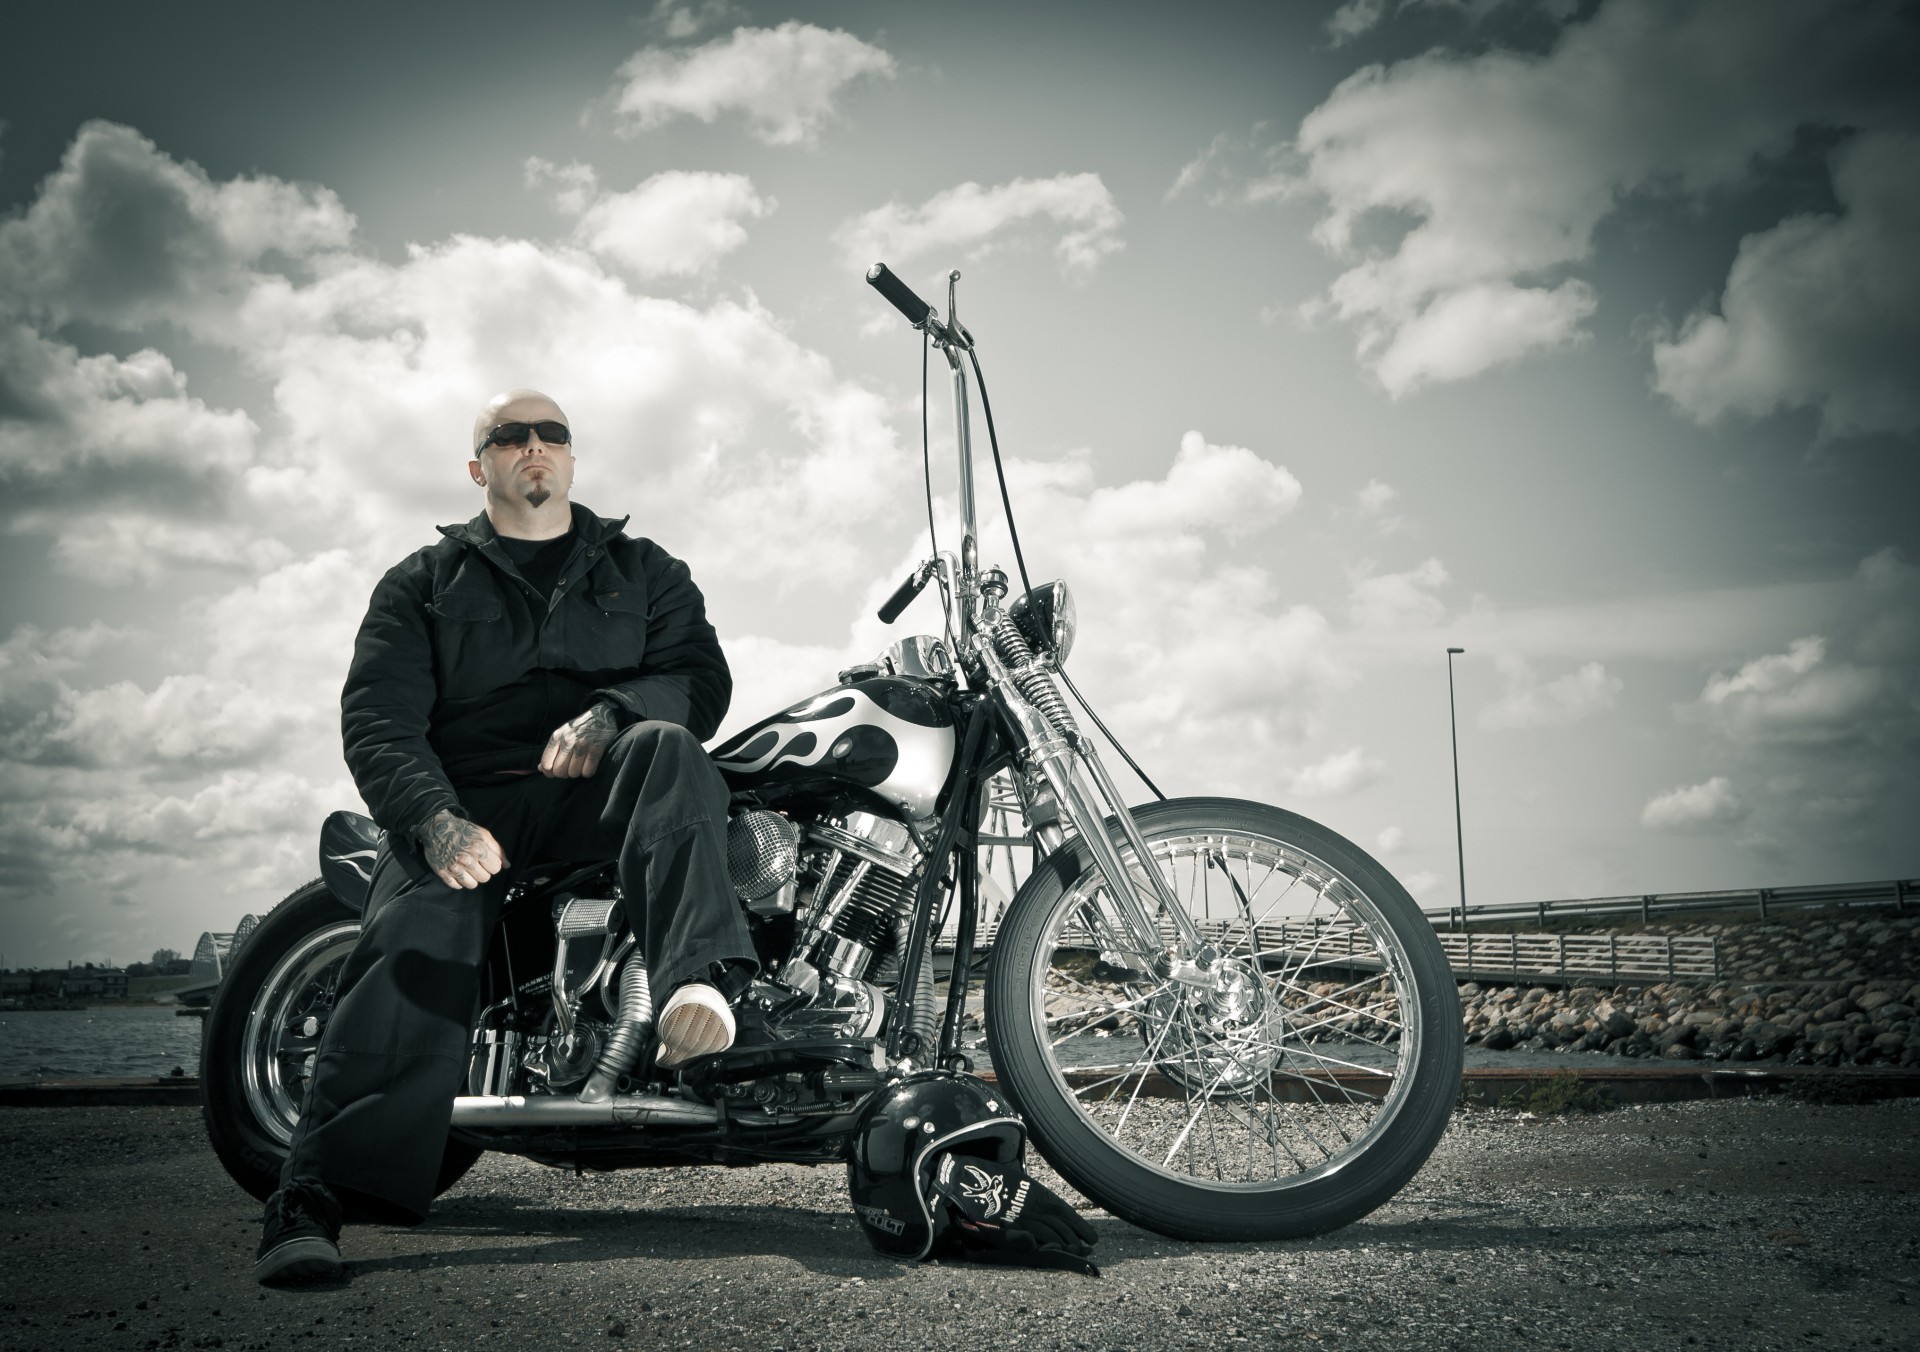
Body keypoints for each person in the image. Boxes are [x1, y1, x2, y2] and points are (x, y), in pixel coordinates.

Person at [256, 389, 756, 1284]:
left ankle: (699, 989)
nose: (534, 444)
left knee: (670, 748)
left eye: (551, 433)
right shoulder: (420, 582)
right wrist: (434, 821)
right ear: (477, 465)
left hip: (598, 784)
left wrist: (614, 711)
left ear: (571, 459)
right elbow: (379, 720)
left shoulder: (646, 568)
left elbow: (697, 680)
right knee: (415, 942)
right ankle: (314, 1194)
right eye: (510, 434)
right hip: (469, 798)